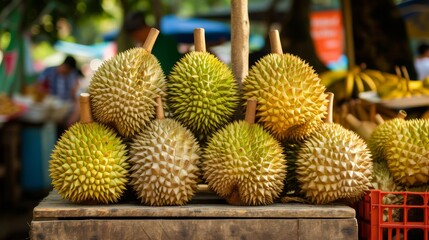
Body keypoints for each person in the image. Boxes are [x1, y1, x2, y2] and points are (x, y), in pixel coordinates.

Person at [124, 11, 183, 75]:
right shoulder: (142, 48)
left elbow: (164, 70)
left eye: (136, 35)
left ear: (144, 28)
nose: (136, 39)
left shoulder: (164, 43)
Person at [37, 56, 81, 133]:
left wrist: (76, 108)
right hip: (51, 104)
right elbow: (39, 85)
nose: (68, 72)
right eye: (67, 70)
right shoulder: (49, 71)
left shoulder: (72, 74)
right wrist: (44, 92)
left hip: (66, 107)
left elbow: (75, 91)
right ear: (65, 66)